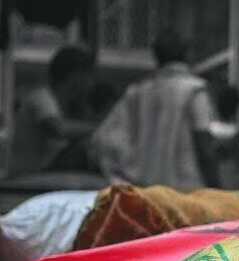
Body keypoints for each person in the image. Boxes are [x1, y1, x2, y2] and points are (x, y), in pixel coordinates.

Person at [91, 29, 220, 189]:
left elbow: (103, 139)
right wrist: (217, 188)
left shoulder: (136, 93)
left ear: (156, 56)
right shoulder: (194, 90)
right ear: (187, 53)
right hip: (185, 194)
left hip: (144, 194)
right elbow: (204, 146)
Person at [8, 45, 94, 176]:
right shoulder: (42, 97)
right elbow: (58, 129)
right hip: (26, 181)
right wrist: (97, 129)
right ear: (76, 77)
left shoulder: (64, 108)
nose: (89, 83)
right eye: (87, 77)